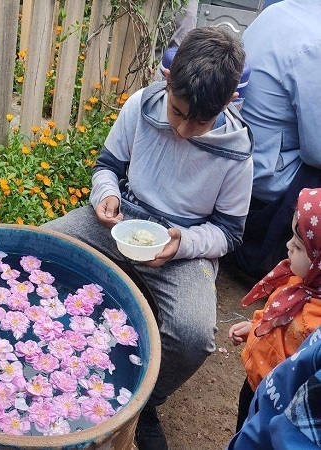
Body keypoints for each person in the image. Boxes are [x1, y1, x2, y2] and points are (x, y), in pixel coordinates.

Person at [43, 27, 253, 449]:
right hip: (122, 220)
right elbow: (107, 165)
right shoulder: (140, 106)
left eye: (200, 121)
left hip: (181, 245)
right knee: (46, 246)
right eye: (178, 112)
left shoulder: (237, 151)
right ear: (168, 81)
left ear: (228, 103)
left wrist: (183, 244)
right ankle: (51, 346)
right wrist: (106, 196)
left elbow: (229, 233)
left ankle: (145, 402)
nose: (183, 129)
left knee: (194, 335)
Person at [232, 0, 321, 279]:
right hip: (267, 183)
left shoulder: (277, 10)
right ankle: (305, 274)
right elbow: (317, 152)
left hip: (236, 156)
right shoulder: (314, 44)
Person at [229, 188, 321, 431]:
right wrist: (256, 327)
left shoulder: (316, 327)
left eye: (300, 247)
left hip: (279, 404)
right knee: (243, 427)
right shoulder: (301, 282)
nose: (289, 245)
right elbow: (278, 316)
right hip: (255, 383)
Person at [227, 326, 321, 449]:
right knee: (243, 427)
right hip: (262, 388)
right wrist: (259, 327)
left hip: (278, 406)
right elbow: (280, 313)